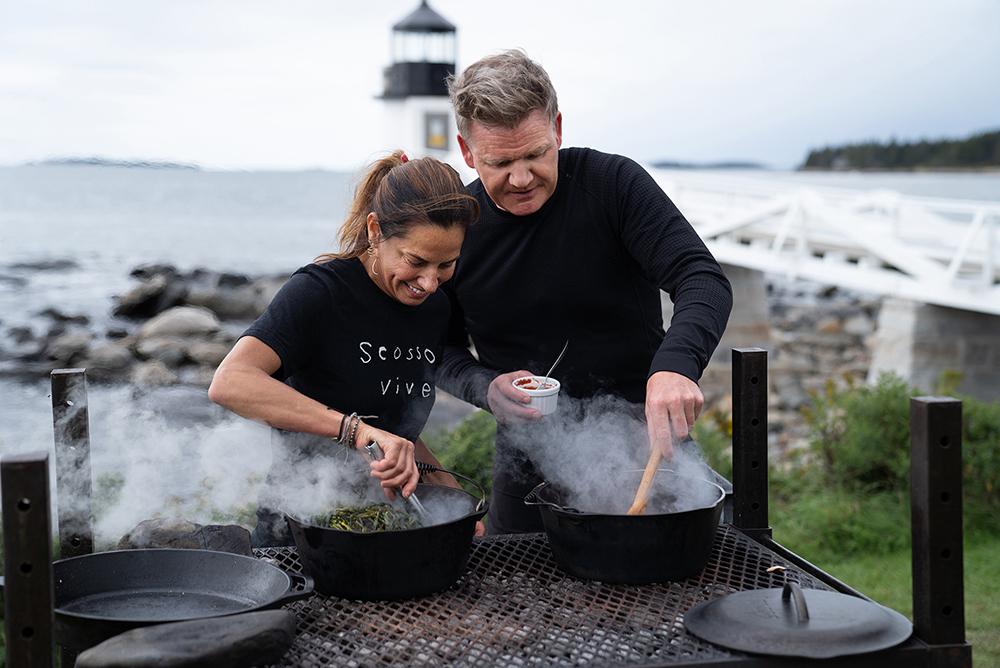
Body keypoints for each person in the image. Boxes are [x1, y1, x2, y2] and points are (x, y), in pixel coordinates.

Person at [438, 49, 734, 535]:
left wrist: (674, 369)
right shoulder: (457, 225)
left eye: (535, 153)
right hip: (524, 465)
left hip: (646, 449)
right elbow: (439, 350)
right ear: (468, 152)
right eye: (500, 162)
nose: (521, 178)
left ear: (557, 127)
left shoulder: (613, 184)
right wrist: (482, 387)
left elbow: (700, 277)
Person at [209, 151, 482, 547]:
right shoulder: (320, 293)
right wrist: (357, 431)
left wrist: (451, 497)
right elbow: (230, 382)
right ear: (375, 230)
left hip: (389, 531)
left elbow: (398, 427)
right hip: (301, 530)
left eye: (446, 265)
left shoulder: (435, 309)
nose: (429, 283)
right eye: (415, 261)